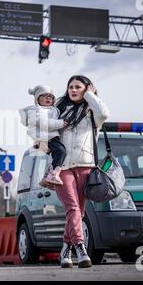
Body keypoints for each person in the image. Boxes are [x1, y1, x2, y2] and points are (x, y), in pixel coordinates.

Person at [54, 75, 110, 269]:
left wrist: (91, 96)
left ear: (87, 89)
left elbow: (104, 112)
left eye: (78, 87)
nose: (73, 90)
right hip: (62, 167)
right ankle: (81, 248)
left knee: (79, 211)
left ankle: (65, 250)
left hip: (85, 166)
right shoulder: (59, 110)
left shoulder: (91, 112)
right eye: (71, 87)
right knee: (73, 209)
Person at [19, 85, 68, 185]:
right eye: (44, 96)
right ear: (37, 99)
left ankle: (46, 177)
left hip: (50, 137)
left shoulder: (52, 110)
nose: (48, 98)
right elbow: (43, 123)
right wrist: (60, 123)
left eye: (51, 96)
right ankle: (54, 174)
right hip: (46, 138)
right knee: (61, 151)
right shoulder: (37, 110)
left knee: (56, 155)